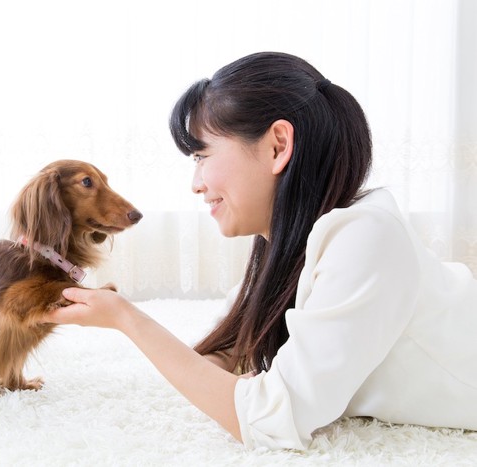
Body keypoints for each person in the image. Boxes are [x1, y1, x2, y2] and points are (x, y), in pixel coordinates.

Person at [43, 52, 477, 450]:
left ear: (277, 146)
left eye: (201, 155)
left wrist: (125, 317)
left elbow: (272, 420)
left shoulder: (365, 237)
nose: (196, 183)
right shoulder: (294, 243)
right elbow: (229, 348)